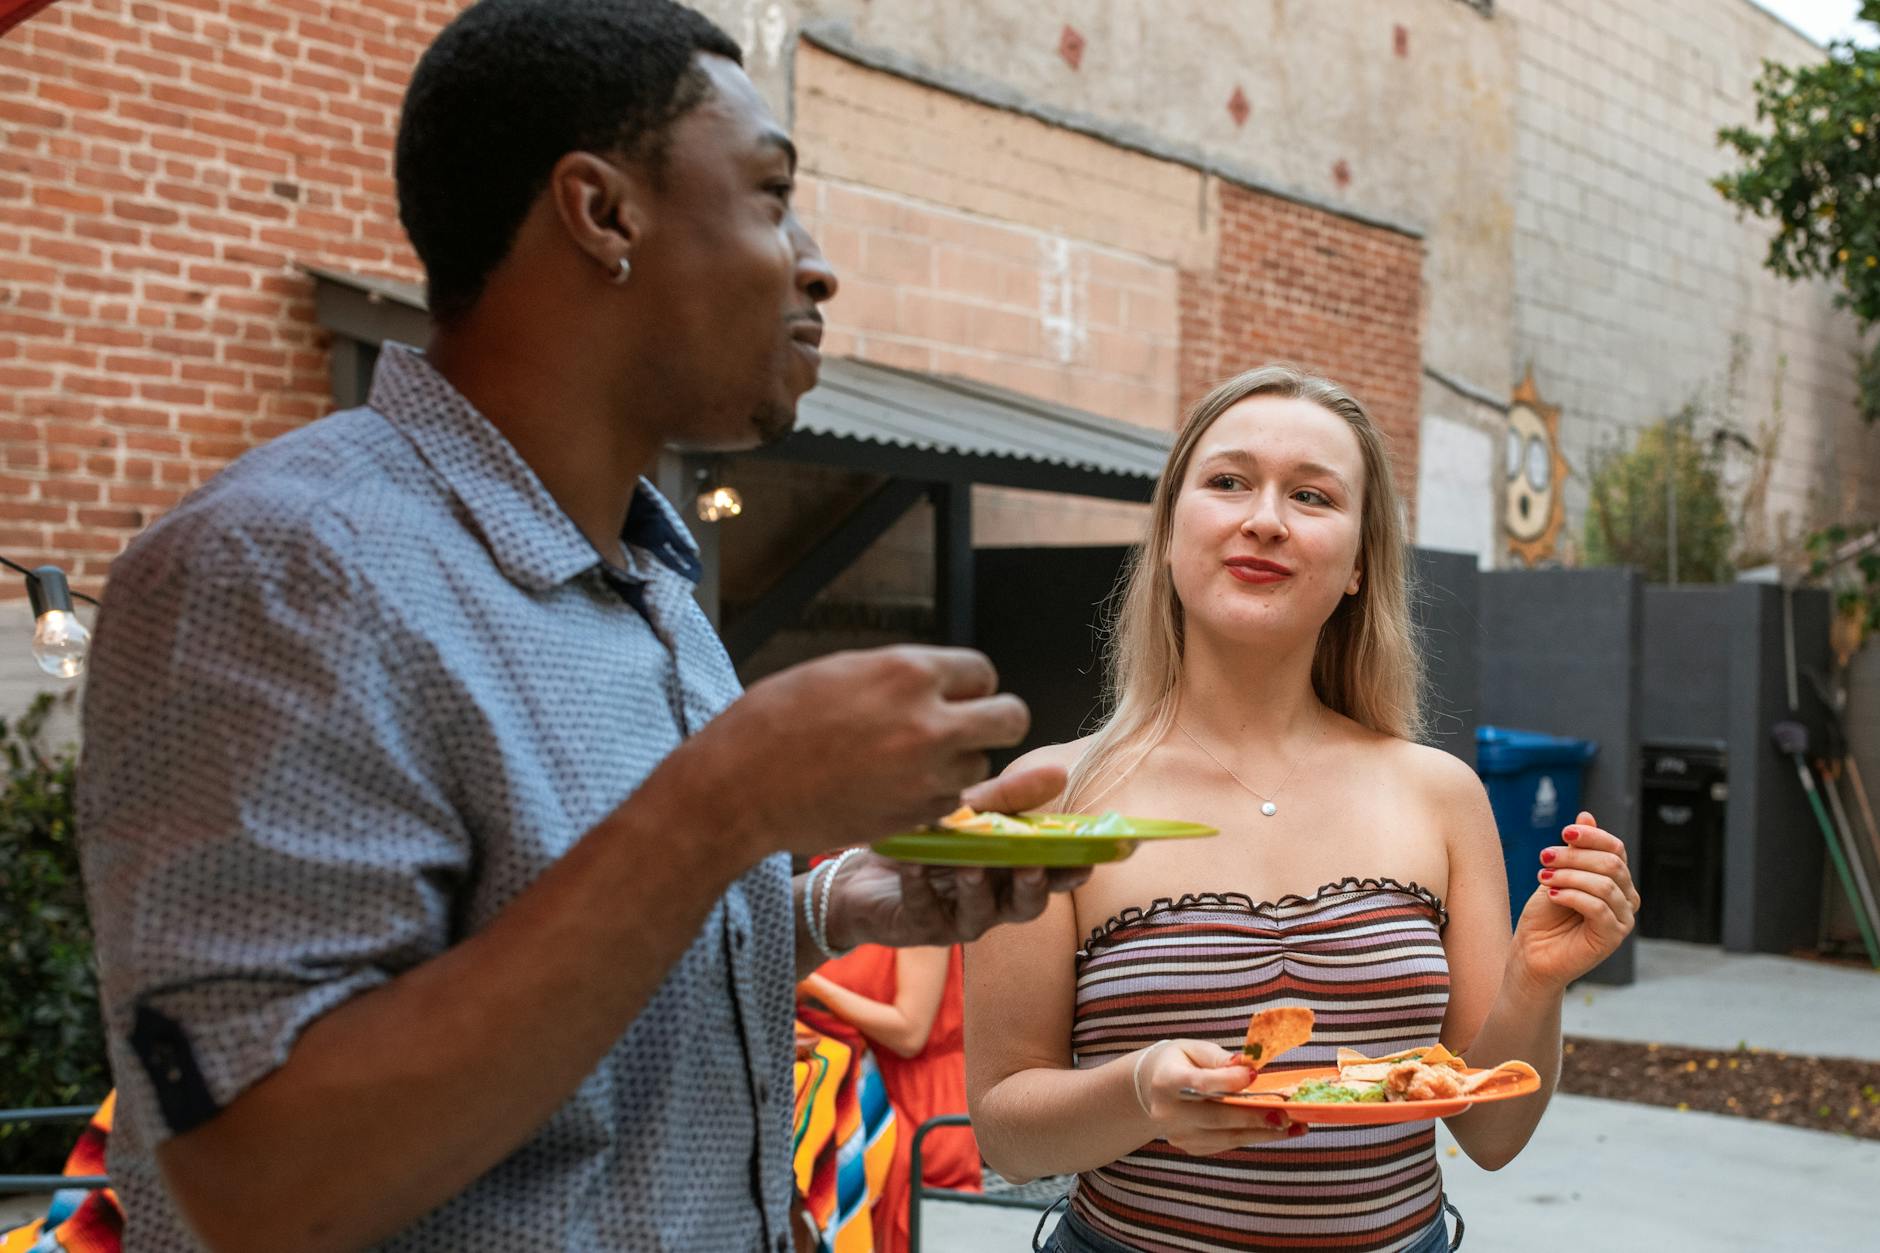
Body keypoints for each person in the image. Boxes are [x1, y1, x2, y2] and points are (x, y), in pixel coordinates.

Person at [75, 3, 1085, 1249]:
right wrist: (724, 802)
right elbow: (255, 1183)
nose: (815, 263)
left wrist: (829, 905)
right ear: (602, 213)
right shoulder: (281, 568)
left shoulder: (654, 582)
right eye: (772, 196)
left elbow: (576, 975)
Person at [964, 366, 1640, 1253]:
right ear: (1168, 532)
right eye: (1228, 481)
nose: (1266, 519)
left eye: (1312, 495)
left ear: (1359, 563)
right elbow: (1006, 1136)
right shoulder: (1049, 802)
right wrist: (1139, 1093)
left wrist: (1535, 980)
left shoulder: (1440, 794)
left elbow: (1491, 1132)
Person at [798, 943, 982, 1252]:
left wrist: (810, 985)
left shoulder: (919, 918)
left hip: (916, 1100)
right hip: (854, 1090)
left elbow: (910, 1033)